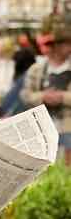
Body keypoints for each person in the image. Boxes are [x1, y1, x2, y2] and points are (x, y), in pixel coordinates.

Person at [21, 20, 71, 165]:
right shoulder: (37, 69)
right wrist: (43, 97)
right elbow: (25, 95)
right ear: (57, 45)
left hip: (68, 128)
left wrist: (62, 97)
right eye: (65, 43)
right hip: (42, 129)